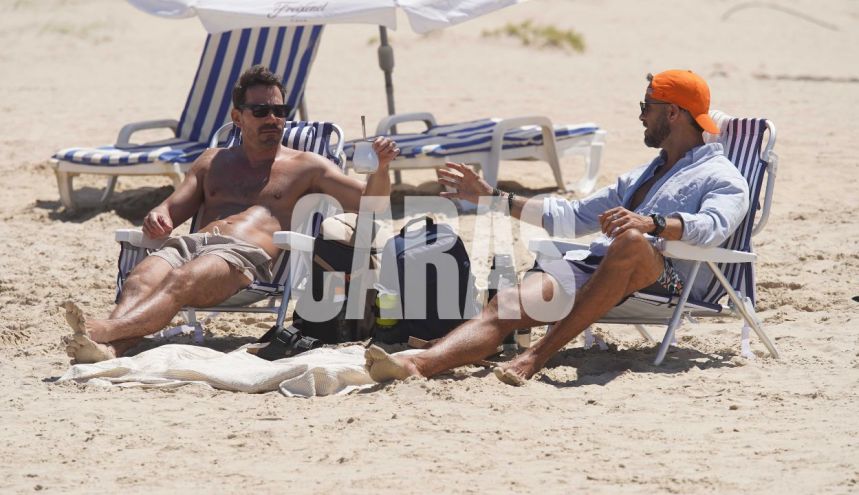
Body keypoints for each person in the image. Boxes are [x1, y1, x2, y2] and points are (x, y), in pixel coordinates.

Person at [365, 69, 749, 385]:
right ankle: (419, 364)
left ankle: (536, 356)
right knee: (507, 304)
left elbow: (712, 226)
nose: (641, 116)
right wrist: (492, 197)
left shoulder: (722, 176)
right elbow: (573, 216)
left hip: (671, 278)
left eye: (646, 106)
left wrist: (652, 223)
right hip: (600, 265)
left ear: (673, 113)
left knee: (632, 241)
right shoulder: (645, 174)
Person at [62, 65, 399, 364]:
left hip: (242, 258)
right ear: (238, 117)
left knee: (181, 280)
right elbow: (172, 208)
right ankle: (110, 349)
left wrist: (381, 168)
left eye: (279, 110)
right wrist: (159, 214)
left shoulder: (306, 166)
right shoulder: (212, 161)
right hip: (191, 245)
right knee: (140, 279)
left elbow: (372, 204)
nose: (273, 118)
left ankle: (102, 329)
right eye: (261, 110)